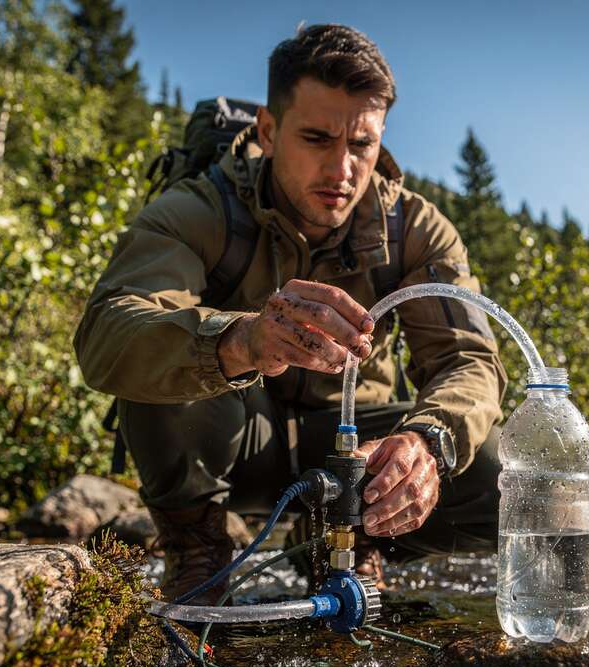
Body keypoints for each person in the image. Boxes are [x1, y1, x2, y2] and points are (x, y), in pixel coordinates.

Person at [74, 24, 506, 604]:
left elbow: (468, 360)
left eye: (361, 145)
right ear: (270, 131)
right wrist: (239, 340)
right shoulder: (198, 210)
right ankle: (198, 549)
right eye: (316, 138)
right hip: (237, 444)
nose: (342, 171)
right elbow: (108, 331)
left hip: (357, 450)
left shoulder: (417, 230)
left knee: (505, 474)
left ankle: (350, 538)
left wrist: (429, 442)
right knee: (163, 371)